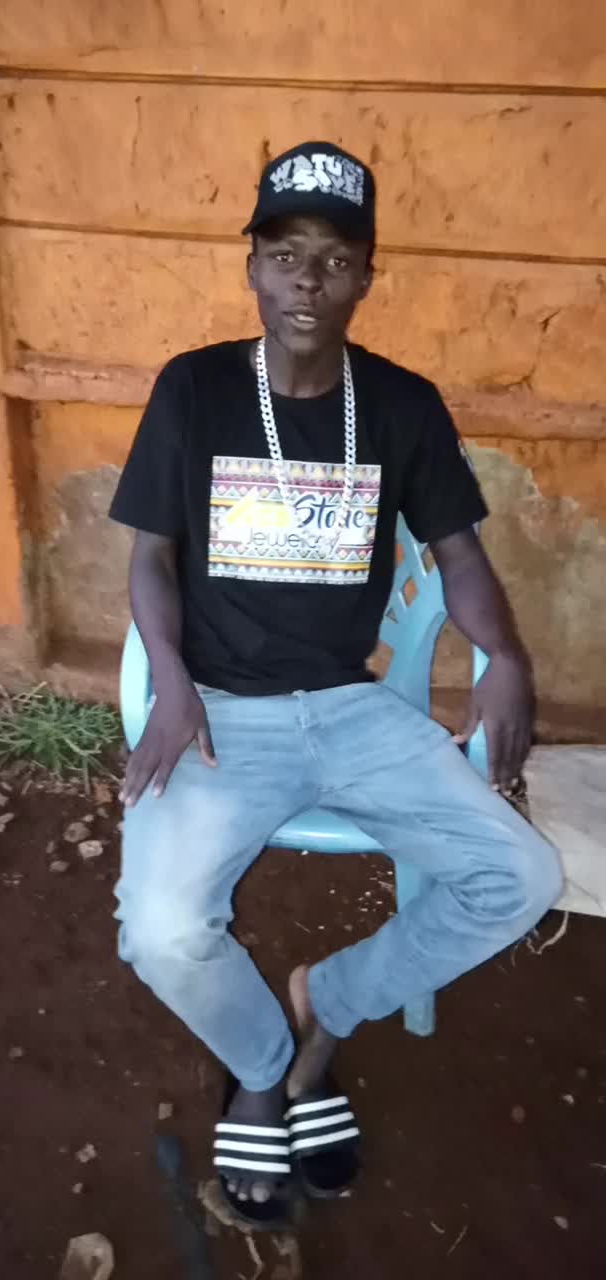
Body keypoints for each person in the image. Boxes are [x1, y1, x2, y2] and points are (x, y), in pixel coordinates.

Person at [109, 141, 562, 1228]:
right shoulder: (195, 389)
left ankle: (329, 1006)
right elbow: (150, 556)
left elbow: (458, 553)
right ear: (252, 268)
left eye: (335, 259)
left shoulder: (401, 404)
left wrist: (506, 657)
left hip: (356, 711)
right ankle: (267, 1067)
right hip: (219, 710)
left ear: (365, 276)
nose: (307, 281)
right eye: (285, 254)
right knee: (160, 928)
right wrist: (171, 680)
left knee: (521, 877)